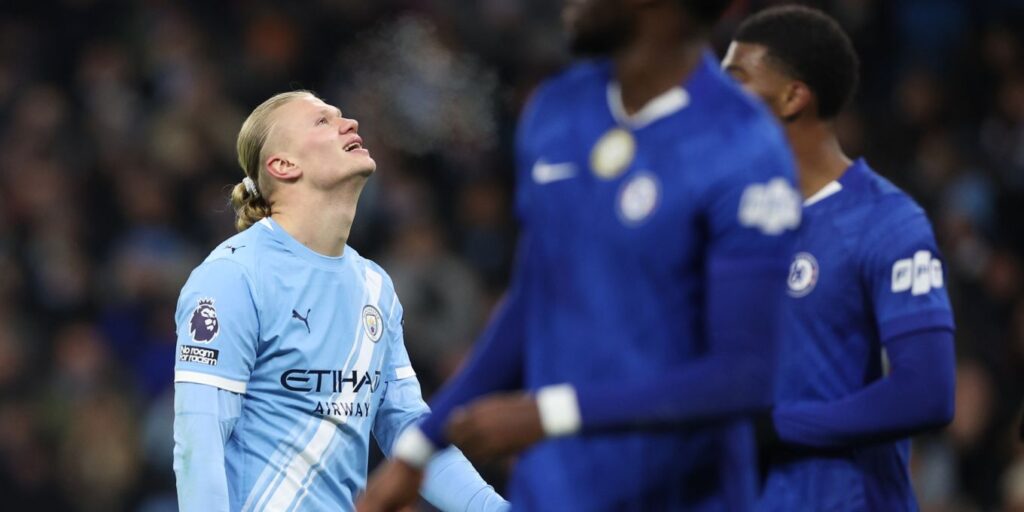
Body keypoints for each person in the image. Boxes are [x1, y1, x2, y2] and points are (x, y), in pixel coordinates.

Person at [359, 0, 803, 510]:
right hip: (553, 491)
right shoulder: (554, 110)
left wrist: (551, 414)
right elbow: (533, 302)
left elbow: (745, 375)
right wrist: (418, 449)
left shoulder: (744, 144)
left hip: (681, 494)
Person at [171, 90, 508, 512]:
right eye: (322, 121)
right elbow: (197, 443)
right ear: (283, 165)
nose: (350, 124)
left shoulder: (374, 286)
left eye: (342, 117)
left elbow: (409, 430)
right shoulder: (233, 277)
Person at [721, 6, 955, 510]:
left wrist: (776, 426)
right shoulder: (733, 224)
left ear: (792, 97)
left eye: (735, 79)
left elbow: (927, 392)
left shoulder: (886, 221)